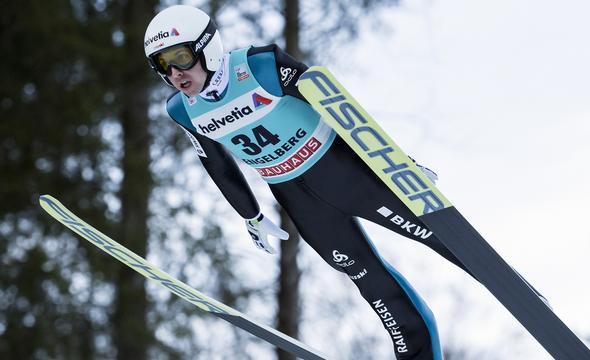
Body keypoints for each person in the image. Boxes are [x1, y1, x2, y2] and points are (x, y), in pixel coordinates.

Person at [144, 5, 471, 359]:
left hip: (346, 173)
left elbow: (337, 106)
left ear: (207, 47)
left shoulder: (261, 66)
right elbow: (217, 165)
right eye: (163, 64)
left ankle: (526, 299)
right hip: (300, 200)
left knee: (446, 240)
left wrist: (395, 163)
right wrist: (251, 216)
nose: (175, 73)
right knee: (369, 281)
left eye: (181, 57)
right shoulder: (183, 110)